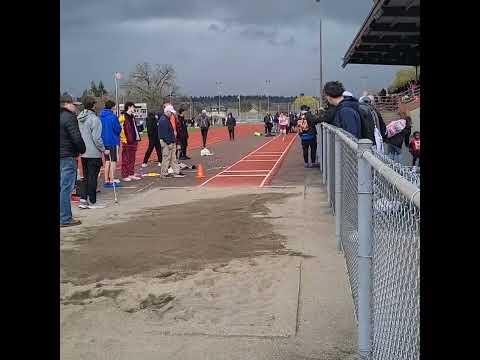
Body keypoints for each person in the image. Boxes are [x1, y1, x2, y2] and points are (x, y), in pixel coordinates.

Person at [77, 97, 110, 209]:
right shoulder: (95, 119)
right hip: (93, 153)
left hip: (84, 152)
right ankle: (92, 201)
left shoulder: (80, 118)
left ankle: (83, 199)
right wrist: (103, 149)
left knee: (86, 176)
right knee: (92, 177)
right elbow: (97, 138)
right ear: (93, 105)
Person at [60, 95, 86, 226]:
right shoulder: (69, 118)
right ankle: (65, 218)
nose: (75, 107)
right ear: (66, 104)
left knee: (62, 187)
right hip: (67, 156)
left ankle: (63, 216)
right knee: (66, 188)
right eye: (73, 105)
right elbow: (76, 137)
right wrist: (82, 149)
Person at [158, 104, 185, 178]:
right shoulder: (163, 120)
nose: (172, 114)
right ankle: (164, 173)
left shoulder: (166, 119)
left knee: (173, 158)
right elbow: (164, 133)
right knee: (166, 158)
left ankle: (176, 171)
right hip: (167, 142)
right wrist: (169, 142)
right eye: (171, 112)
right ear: (167, 112)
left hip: (171, 141)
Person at [99, 100, 122, 187]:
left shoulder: (101, 116)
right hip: (113, 141)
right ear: (112, 107)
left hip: (104, 142)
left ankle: (106, 179)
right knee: (113, 160)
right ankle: (112, 179)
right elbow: (117, 129)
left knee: (107, 160)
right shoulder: (113, 117)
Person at [120, 102, 141, 182]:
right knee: (126, 158)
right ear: (129, 107)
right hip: (127, 141)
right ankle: (125, 174)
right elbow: (121, 130)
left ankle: (131, 173)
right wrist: (124, 139)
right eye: (133, 107)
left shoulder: (132, 117)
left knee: (132, 158)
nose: (134, 109)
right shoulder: (123, 117)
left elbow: (134, 128)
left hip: (133, 140)